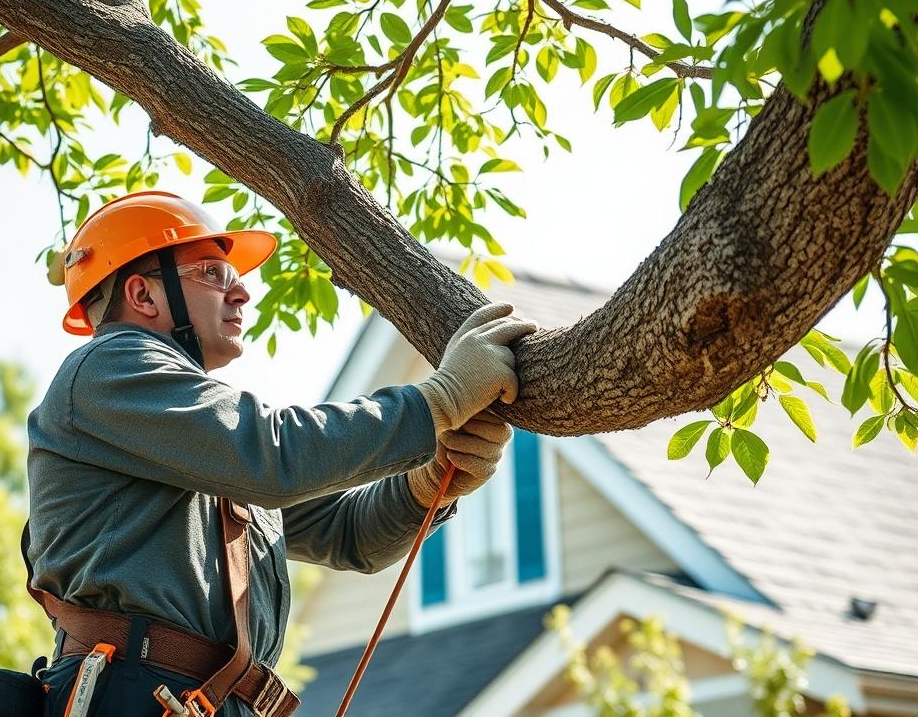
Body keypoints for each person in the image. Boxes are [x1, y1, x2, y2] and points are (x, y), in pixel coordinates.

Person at [26, 190, 536, 716]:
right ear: (143, 295)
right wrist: (439, 403)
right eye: (211, 273)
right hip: (132, 693)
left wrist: (427, 486)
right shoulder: (111, 370)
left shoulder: (192, 435)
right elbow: (276, 456)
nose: (241, 292)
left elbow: (349, 535)